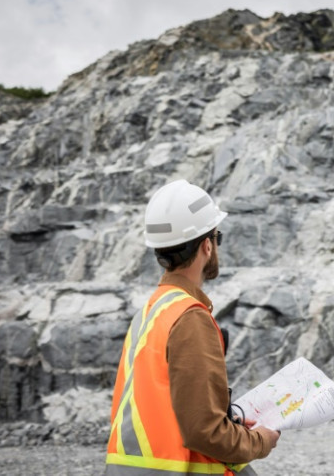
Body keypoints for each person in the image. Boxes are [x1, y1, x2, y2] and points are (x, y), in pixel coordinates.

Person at [105, 179, 280, 475]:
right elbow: (204, 431)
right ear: (207, 245)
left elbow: (168, 409)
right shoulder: (190, 317)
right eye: (217, 237)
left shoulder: (150, 312)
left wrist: (230, 424)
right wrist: (259, 441)